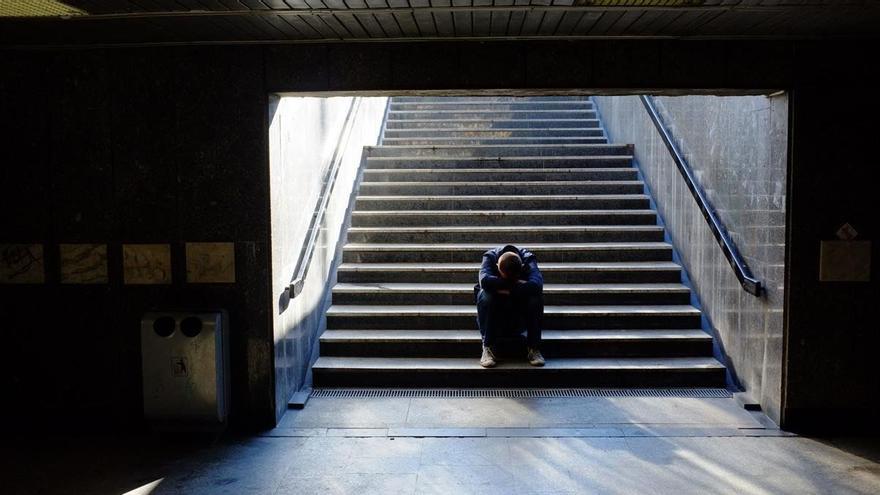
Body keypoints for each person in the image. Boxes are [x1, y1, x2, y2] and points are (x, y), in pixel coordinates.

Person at [474, 244, 545, 368]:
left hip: (519, 310)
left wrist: (506, 289)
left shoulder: (528, 259)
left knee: (536, 297)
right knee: (485, 295)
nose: (509, 281)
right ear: (497, 266)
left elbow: (537, 285)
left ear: (522, 267)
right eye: (503, 277)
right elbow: (484, 281)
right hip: (496, 311)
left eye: (514, 279)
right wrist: (518, 284)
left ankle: (534, 347)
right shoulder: (490, 257)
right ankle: (487, 347)